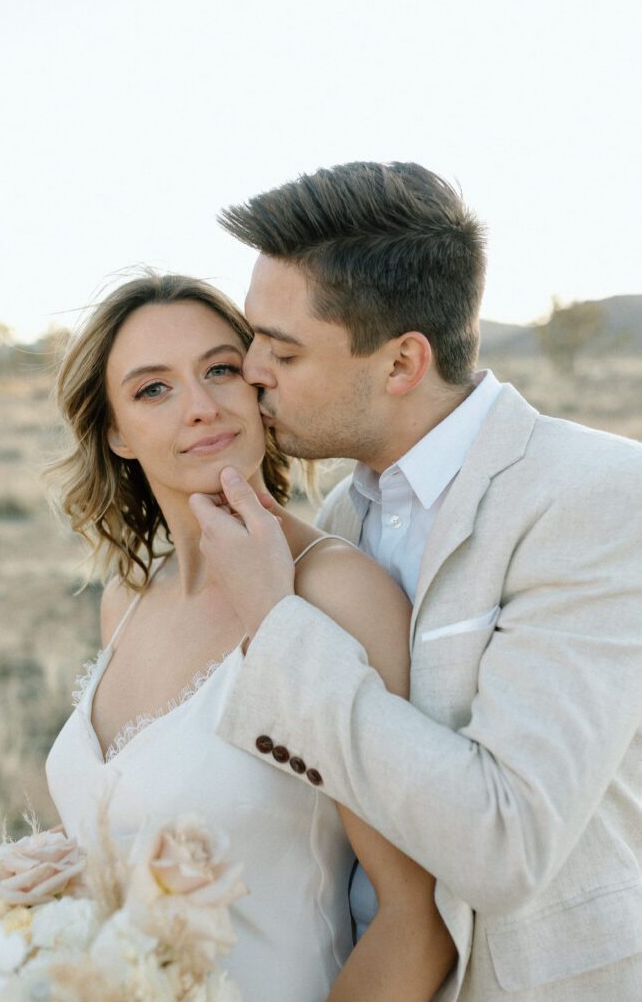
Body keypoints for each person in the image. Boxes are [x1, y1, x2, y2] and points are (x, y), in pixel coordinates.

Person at [189, 162, 642, 1001]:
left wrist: (275, 621)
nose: (250, 370)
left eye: (281, 350)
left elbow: (506, 846)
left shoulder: (594, 495)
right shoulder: (341, 518)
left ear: (401, 363)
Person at [45, 273, 455, 1002]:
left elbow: (414, 919)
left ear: (260, 388)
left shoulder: (337, 592)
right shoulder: (126, 601)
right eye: (153, 390)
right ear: (115, 431)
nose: (201, 408)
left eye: (220, 370)